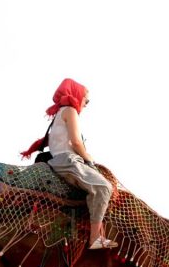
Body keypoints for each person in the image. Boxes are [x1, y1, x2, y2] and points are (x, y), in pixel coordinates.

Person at [21, 78, 117, 250]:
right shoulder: (70, 110)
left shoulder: (61, 112)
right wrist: (90, 160)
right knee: (104, 187)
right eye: (86, 99)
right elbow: (76, 143)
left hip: (62, 159)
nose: (86, 104)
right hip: (68, 160)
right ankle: (95, 238)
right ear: (77, 94)